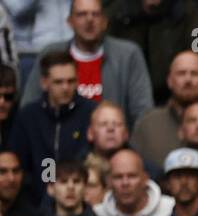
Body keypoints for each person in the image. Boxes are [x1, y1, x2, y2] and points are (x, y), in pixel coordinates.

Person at [21, 0, 153, 126]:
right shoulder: (51, 54)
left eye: (95, 14)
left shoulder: (128, 55)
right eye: (81, 14)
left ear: (104, 21)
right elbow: (28, 108)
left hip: (114, 144)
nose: (89, 20)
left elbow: (143, 113)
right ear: (69, 22)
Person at [9, 49, 92, 178]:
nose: (65, 88)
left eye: (71, 81)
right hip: (36, 194)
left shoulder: (91, 113)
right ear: (44, 83)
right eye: (58, 82)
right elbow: (18, 164)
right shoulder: (28, 117)